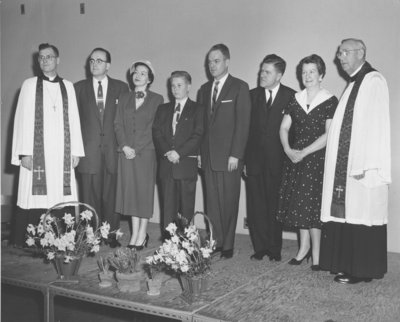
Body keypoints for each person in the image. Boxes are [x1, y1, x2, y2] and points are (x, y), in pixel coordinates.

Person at [320, 39, 391, 284]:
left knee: (362, 215)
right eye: (339, 53)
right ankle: (350, 267)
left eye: (346, 52)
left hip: (363, 167)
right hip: (347, 167)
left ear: (361, 53)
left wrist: (366, 164)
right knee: (350, 215)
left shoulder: (373, 81)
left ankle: (362, 270)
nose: (340, 57)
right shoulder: (353, 84)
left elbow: (377, 125)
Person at [11, 43, 84, 246]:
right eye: (41, 57)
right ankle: (33, 241)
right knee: (36, 195)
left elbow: (74, 119)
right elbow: (21, 120)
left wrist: (76, 151)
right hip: (36, 153)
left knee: (60, 193)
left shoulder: (68, 86)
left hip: (61, 153)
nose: (45, 60)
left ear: (57, 60)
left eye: (49, 57)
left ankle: (61, 239)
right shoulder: (29, 84)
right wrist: (23, 153)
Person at [277, 54, 338, 269]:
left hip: (317, 159)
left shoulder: (330, 100)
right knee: (299, 206)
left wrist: (305, 152)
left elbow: (329, 134)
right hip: (296, 157)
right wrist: (288, 149)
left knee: (313, 207)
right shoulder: (296, 99)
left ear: (321, 75)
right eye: (304, 72)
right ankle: (303, 249)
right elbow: (284, 128)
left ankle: (317, 254)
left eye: (312, 71)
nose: (308, 75)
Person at [198, 44, 251, 259]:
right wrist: (200, 154)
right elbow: (201, 126)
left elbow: (243, 123)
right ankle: (215, 240)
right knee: (211, 201)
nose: (212, 65)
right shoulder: (203, 90)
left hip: (230, 156)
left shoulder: (239, 87)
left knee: (228, 200)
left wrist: (236, 154)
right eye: (210, 61)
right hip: (209, 156)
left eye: (216, 61)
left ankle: (228, 244)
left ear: (227, 62)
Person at [74, 48, 129, 247]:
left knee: (112, 195)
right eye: (91, 60)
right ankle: (91, 236)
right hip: (88, 152)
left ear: (108, 65)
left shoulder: (121, 88)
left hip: (113, 151)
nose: (94, 64)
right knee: (89, 195)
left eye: (99, 60)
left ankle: (111, 234)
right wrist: (75, 151)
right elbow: (73, 122)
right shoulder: (78, 88)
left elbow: (125, 120)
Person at [245, 54, 295, 261]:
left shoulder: (291, 96)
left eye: (267, 72)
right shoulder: (251, 95)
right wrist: (244, 161)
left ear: (279, 75)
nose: (261, 74)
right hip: (254, 161)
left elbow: (294, 132)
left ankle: (274, 249)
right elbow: (244, 131)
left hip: (278, 162)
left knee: (275, 206)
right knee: (255, 206)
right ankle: (260, 247)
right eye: (261, 70)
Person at [114, 60, 164, 250]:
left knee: (143, 193)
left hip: (146, 153)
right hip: (126, 153)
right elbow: (117, 124)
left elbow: (155, 127)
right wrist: (125, 146)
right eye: (136, 72)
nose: (138, 75)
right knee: (131, 193)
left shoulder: (157, 99)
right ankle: (135, 233)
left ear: (149, 78)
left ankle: (142, 233)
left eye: (143, 73)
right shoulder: (124, 97)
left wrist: (138, 148)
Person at [153, 71, 204, 229]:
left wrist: (178, 152)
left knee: (186, 209)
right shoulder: (163, 109)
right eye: (172, 86)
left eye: (179, 85)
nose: (175, 89)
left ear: (188, 86)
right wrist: (168, 152)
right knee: (167, 208)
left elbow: (198, 135)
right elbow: (157, 132)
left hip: (185, 166)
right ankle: (168, 244)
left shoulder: (198, 109)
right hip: (167, 166)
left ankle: (185, 245)